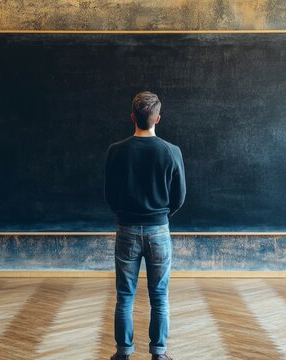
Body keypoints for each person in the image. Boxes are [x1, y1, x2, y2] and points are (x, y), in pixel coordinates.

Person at [105, 91, 186, 360]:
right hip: (159, 231)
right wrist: (161, 215)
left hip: (126, 229)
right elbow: (180, 196)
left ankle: (123, 352)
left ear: (132, 117)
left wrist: (124, 214)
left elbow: (109, 193)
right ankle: (159, 353)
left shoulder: (116, 151)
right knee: (160, 296)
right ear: (158, 118)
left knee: (125, 295)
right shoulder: (171, 152)